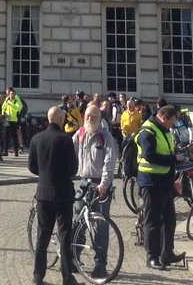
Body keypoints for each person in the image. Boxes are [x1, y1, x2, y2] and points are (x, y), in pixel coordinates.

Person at [28, 106, 79, 285]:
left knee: (43, 235)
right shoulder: (65, 140)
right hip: (63, 192)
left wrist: (45, 173)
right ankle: (67, 276)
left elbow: (32, 167)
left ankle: (38, 275)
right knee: (65, 235)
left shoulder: (36, 139)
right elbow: (73, 169)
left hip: (43, 192)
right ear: (60, 120)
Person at [136, 103, 185, 271]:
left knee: (169, 219)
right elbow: (149, 156)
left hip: (164, 181)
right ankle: (152, 257)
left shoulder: (164, 130)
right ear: (164, 117)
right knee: (153, 221)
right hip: (150, 182)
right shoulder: (148, 130)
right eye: (172, 121)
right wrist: (173, 160)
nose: (173, 124)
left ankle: (167, 253)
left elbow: (166, 152)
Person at [74, 103, 118, 280]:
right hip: (84, 182)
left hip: (100, 184)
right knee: (77, 222)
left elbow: (110, 162)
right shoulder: (80, 134)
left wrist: (105, 184)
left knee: (100, 226)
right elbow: (71, 154)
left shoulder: (105, 137)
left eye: (93, 117)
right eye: (87, 116)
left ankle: (100, 264)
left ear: (100, 119)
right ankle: (74, 258)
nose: (89, 119)